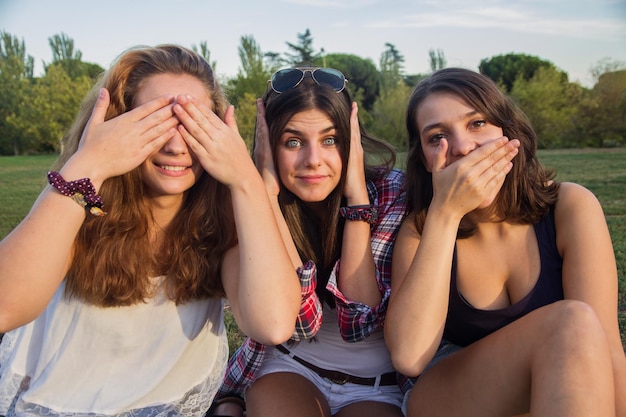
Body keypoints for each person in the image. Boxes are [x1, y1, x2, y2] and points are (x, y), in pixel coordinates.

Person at [0, 44, 302, 417]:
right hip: (54, 404)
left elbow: (272, 324)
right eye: (156, 122)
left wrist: (245, 180)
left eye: (192, 124)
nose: (177, 146)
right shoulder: (76, 196)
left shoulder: (222, 216)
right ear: (118, 125)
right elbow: (5, 306)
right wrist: (90, 161)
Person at [385, 67, 626, 417]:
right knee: (569, 322)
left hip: (555, 385)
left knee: (579, 329)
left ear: (506, 130)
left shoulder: (569, 207)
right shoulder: (422, 228)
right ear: (423, 158)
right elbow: (409, 355)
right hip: (448, 394)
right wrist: (446, 213)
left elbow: (608, 351)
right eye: (437, 137)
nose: (463, 147)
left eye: (477, 123)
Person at [210, 67, 407, 417]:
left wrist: (358, 201)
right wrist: (267, 198)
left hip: (378, 385)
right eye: (293, 142)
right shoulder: (250, 203)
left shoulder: (393, 193)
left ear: (351, 140)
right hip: (290, 367)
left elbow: (360, 319)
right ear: (268, 146)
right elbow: (300, 323)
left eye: (330, 140)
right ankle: (233, 401)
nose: (313, 159)